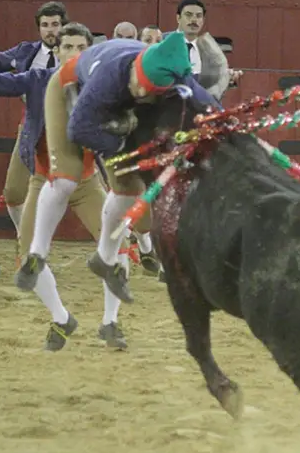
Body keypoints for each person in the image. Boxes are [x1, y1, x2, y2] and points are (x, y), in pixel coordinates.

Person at [0, 22, 147, 351]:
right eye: (68, 47)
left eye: (82, 48)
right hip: (45, 180)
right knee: (29, 259)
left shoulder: (106, 85)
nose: (75, 54)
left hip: (86, 182)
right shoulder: (41, 81)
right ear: (57, 51)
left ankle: (111, 322)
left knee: (117, 248)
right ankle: (61, 317)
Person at [17, 31, 218, 305]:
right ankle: (37, 253)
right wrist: (120, 141)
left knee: (128, 191)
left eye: (149, 93)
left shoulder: (179, 78)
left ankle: (105, 258)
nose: (140, 92)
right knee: (65, 181)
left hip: (121, 114)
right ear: (136, 68)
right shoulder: (108, 76)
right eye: (139, 85)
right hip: (69, 87)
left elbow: (211, 109)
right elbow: (79, 130)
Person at [0, 1, 69, 232]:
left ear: (64, 26)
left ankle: (126, 242)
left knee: (98, 187)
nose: (51, 30)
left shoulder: (74, 51)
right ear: (39, 28)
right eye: (45, 25)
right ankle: (26, 239)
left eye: (55, 24)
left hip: (71, 131)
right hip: (32, 128)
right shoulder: (25, 52)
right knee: (13, 192)